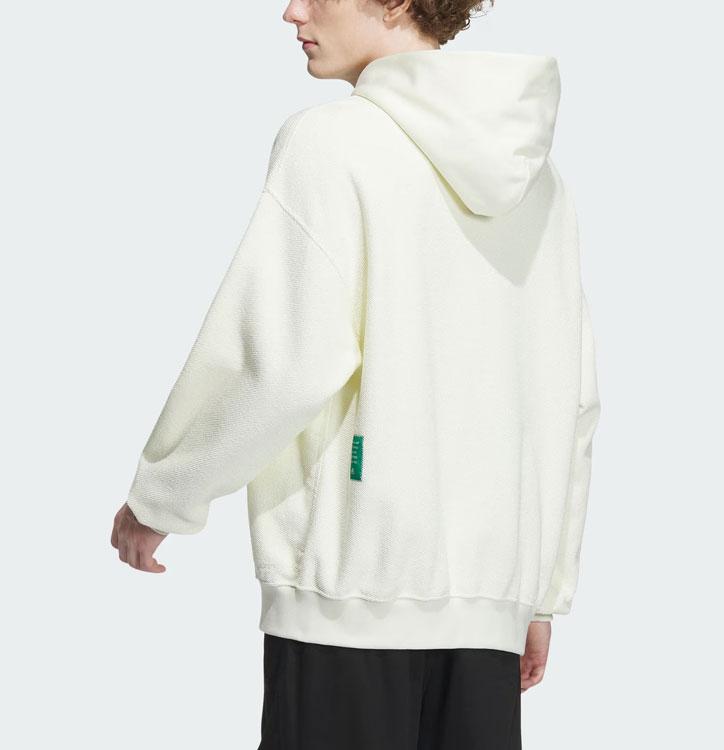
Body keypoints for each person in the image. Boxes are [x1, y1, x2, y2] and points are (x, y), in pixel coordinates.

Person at [111, 1, 601, 747]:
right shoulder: (542, 180)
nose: (292, 11)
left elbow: (279, 360)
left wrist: (163, 493)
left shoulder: (331, 141)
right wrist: (537, 594)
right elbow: (569, 397)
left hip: (348, 600)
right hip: (491, 615)